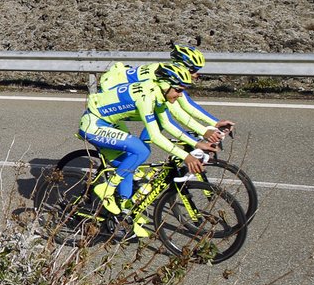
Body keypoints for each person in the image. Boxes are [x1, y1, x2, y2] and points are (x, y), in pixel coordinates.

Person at [78, 62, 214, 238]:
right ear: (166, 85)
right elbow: (155, 136)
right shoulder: (146, 97)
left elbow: (167, 124)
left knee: (129, 166)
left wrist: (197, 144)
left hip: (109, 124)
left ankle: (123, 216)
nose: (180, 95)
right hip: (94, 125)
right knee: (141, 150)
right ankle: (107, 189)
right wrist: (185, 156)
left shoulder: (159, 94)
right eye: (178, 90)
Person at [98, 43, 234, 144]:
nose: (197, 74)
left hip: (123, 88)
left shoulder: (170, 74)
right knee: (132, 144)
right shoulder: (165, 80)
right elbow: (177, 112)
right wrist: (203, 131)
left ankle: (144, 146)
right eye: (194, 70)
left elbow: (187, 104)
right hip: (109, 96)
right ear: (183, 67)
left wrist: (215, 123)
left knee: (160, 118)